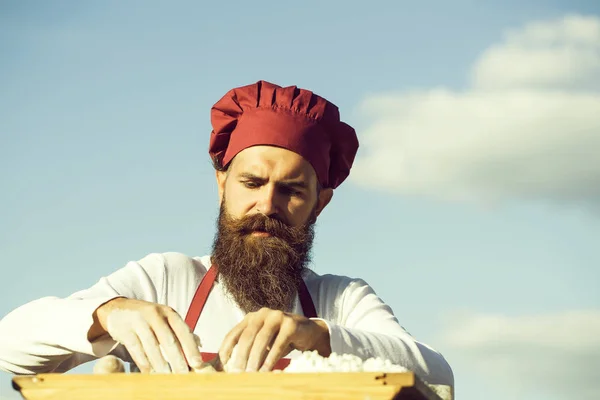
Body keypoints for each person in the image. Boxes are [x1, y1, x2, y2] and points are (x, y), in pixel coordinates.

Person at [0, 81, 453, 386]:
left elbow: (437, 375)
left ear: (320, 203)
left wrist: (315, 334)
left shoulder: (342, 300)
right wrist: (108, 313)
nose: (267, 206)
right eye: (252, 183)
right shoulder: (166, 279)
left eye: (292, 191)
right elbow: (10, 346)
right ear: (222, 184)